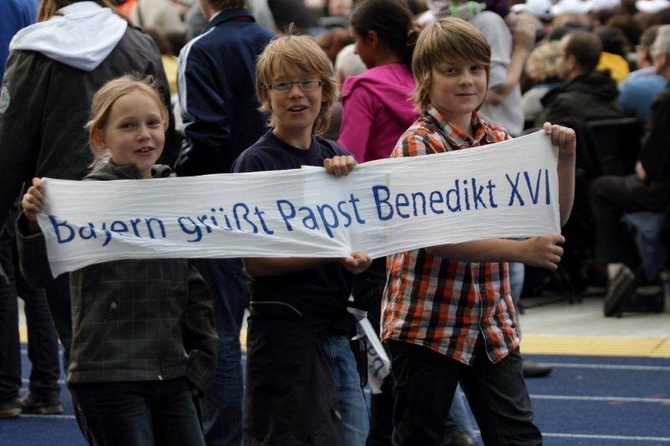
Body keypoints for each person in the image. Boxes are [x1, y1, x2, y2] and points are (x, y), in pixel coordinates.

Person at [381, 17, 576, 445]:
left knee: (517, 435)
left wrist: (565, 160)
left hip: (491, 321)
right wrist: (521, 251)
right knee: (420, 435)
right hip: (427, 322)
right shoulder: (417, 143)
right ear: (425, 77)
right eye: (451, 71)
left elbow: (550, 221)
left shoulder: (500, 139)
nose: (467, 80)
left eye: (476, 69)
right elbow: (435, 238)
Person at [17, 75, 218, 445]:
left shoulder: (171, 195)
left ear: (166, 127)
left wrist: (202, 361)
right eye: (128, 126)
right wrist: (32, 224)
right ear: (100, 137)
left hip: (171, 375)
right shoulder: (84, 201)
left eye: (152, 123)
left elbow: (192, 286)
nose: (144, 134)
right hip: (108, 375)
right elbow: (37, 274)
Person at [337, 1, 477, 445]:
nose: (356, 50)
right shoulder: (426, 86)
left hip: (381, 238)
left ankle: (455, 432)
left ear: (372, 40)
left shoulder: (364, 88)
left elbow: (349, 159)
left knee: (399, 355)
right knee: (422, 353)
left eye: (357, 40)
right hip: (447, 226)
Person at [232, 33, 372, 446]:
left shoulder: (336, 155)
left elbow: (356, 241)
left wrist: (357, 258)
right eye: (283, 84)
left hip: (335, 328)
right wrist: (331, 253)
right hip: (283, 333)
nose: (296, 94)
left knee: (352, 434)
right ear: (265, 94)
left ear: (325, 91)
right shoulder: (255, 162)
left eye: (307, 82)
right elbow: (254, 261)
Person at [175, 1, 274, 444]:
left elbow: (205, 133)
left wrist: (176, 183)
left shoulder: (202, 49)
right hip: (282, 202)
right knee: (279, 324)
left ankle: (224, 437)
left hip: (221, 205)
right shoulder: (279, 44)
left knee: (220, 330)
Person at [0, 0, 64, 421]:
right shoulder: (27, 5)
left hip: (11, 146)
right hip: (29, 152)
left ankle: (7, 388)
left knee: (6, 272)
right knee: (30, 275)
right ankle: (43, 384)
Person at [592, 24, 670, 317]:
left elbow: (649, 167)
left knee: (601, 188)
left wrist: (644, 166)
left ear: (660, 56)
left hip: (660, 192)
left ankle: (623, 270)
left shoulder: (664, 100)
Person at [539, 30, 627, 125]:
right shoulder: (613, 96)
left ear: (571, 62)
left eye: (559, 56)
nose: (557, 61)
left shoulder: (562, 105)